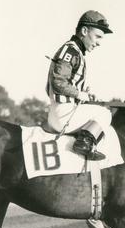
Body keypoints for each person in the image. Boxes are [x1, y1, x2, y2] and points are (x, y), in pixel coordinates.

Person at [46, 10, 113, 160]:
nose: (99, 43)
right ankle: (84, 144)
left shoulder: (76, 52)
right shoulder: (71, 50)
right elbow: (58, 81)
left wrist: (84, 93)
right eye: (97, 36)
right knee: (105, 113)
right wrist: (78, 94)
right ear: (84, 31)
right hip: (62, 113)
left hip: (62, 111)